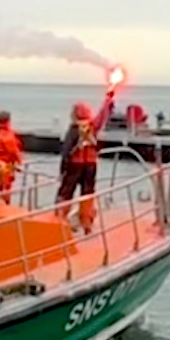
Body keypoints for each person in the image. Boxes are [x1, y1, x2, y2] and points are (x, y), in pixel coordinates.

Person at [56, 89, 117, 233]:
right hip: (90, 164)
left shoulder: (74, 129)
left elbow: (66, 151)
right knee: (87, 193)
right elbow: (102, 117)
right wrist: (108, 102)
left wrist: (62, 169)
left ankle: (60, 220)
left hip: (75, 165)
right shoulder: (91, 127)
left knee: (66, 193)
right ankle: (86, 223)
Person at [0, 111, 24, 204]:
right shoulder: (6, 135)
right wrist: (19, 161)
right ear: (7, 121)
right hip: (3, 165)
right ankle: (5, 206)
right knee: (5, 189)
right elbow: (13, 150)